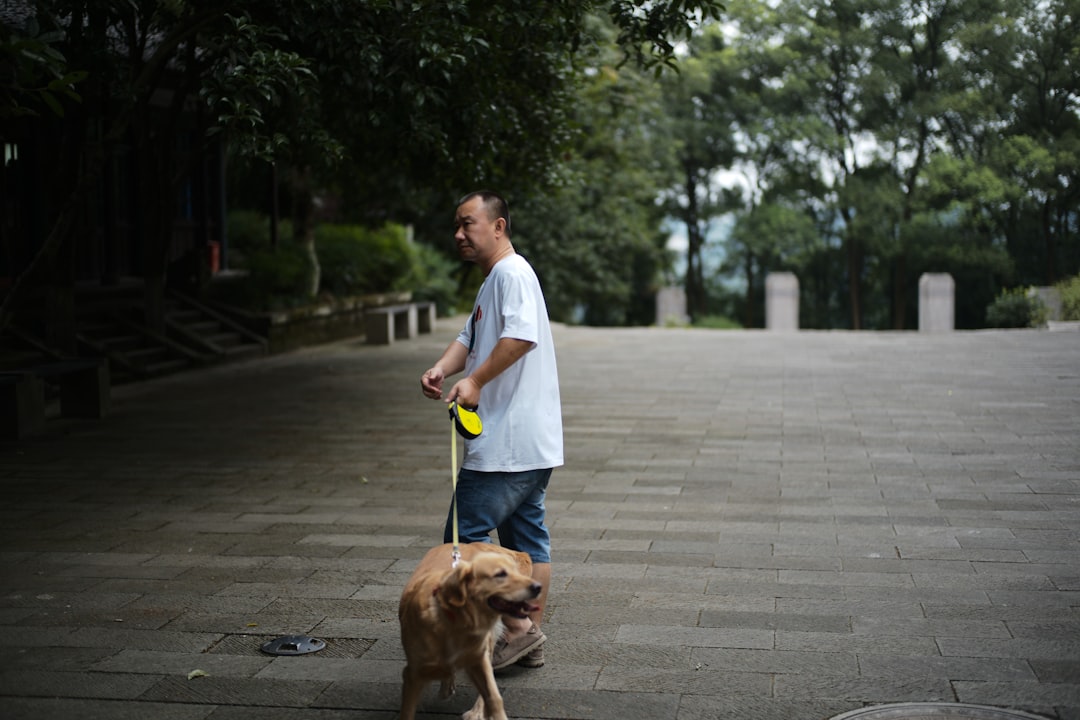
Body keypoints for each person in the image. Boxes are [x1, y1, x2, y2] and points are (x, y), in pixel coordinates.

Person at [420, 190, 563, 670]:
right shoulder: (495, 280)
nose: (459, 234)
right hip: (530, 443)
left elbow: (522, 337)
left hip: (506, 443)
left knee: (462, 540)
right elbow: (471, 337)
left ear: (498, 226)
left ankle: (518, 630)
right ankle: (527, 636)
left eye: (468, 224)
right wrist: (445, 368)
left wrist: (476, 380)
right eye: (457, 226)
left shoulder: (511, 273)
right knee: (526, 541)